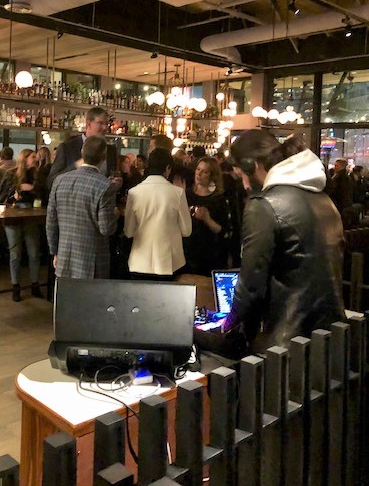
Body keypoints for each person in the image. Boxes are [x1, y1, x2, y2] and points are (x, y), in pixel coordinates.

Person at [196, 130, 346, 357]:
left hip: (286, 345)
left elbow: (251, 287)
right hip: (331, 337)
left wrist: (227, 326)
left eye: (242, 176)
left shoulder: (264, 205)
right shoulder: (323, 199)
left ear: (254, 166)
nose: (245, 185)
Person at [47, 136, 118, 279]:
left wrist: (55, 252)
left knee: (66, 293)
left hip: (65, 257)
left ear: (82, 153)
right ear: (103, 158)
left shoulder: (59, 181)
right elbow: (106, 229)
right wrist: (114, 214)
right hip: (93, 263)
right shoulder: (105, 186)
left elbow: (51, 222)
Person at [124, 148, 192, 280]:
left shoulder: (134, 192)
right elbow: (186, 231)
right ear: (168, 167)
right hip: (169, 263)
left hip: (139, 262)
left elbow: (129, 232)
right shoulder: (177, 193)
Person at [0, 149, 42, 301]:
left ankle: (35, 284)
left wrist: (33, 190)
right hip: (13, 216)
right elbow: (1, 197)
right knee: (15, 253)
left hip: (32, 216)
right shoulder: (11, 174)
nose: (36, 159)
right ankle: (15, 286)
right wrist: (17, 190)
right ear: (25, 158)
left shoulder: (37, 176)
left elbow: (43, 195)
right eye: (33, 157)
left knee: (34, 252)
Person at [47, 107, 117, 191]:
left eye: (106, 124)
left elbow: (112, 176)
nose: (105, 128)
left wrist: (117, 184)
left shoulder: (111, 150)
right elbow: (51, 182)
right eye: (100, 123)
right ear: (88, 124)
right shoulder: (67, 147)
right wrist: (76, 165)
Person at [184, 156, 230, 276]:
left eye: (204, 171)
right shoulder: (186, 194)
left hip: (210, 253)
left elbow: (223, 231)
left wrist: (207, 219)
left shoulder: (218, 199)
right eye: (198, 169)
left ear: (212, 175)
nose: (199, 174)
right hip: (188, 252)